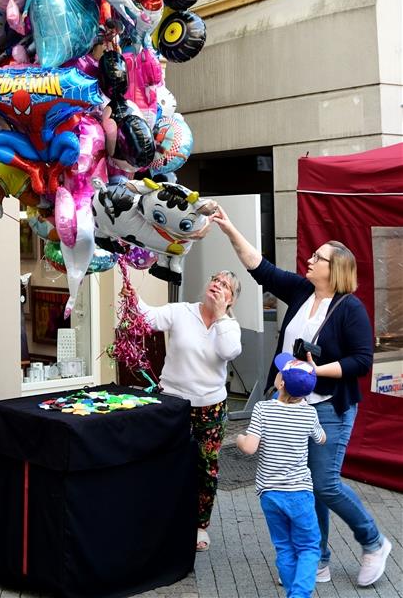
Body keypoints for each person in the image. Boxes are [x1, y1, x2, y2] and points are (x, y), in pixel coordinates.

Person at [214, 207, 392, 587]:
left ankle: (374, 541)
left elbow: (362, 361)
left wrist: (315, 371)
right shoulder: (300, 290)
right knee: (303, 482)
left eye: (317, 258)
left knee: (325, 483)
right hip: (292, 406)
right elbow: (259, 266)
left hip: (329, 407)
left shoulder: (350, 309)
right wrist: (229, 227)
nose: (309, 260)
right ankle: (319, 556)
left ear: (335, 268)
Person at [124, 270, 242, 552]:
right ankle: (160, 520)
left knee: (205, 469)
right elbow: (147, 317)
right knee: (164, 462)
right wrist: (131, 293)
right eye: (214, 279)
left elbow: (229, 351)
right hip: (174, 404)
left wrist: (221, 316)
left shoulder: (230, 326)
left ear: (231, 299)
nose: (216, 284)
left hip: (210, 408)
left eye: (225, 285)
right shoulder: (181, 312)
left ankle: (200, 526)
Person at [238, 353, 326, 598]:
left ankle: (292, 593)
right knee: (309, 547)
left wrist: (239, 438)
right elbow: (321, 439)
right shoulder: (309, 414)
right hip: (300, 493)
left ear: (281, 383)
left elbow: (249, 447)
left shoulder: (263, 409)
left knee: (284, 547)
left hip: (270, 494)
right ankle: (299, 595)